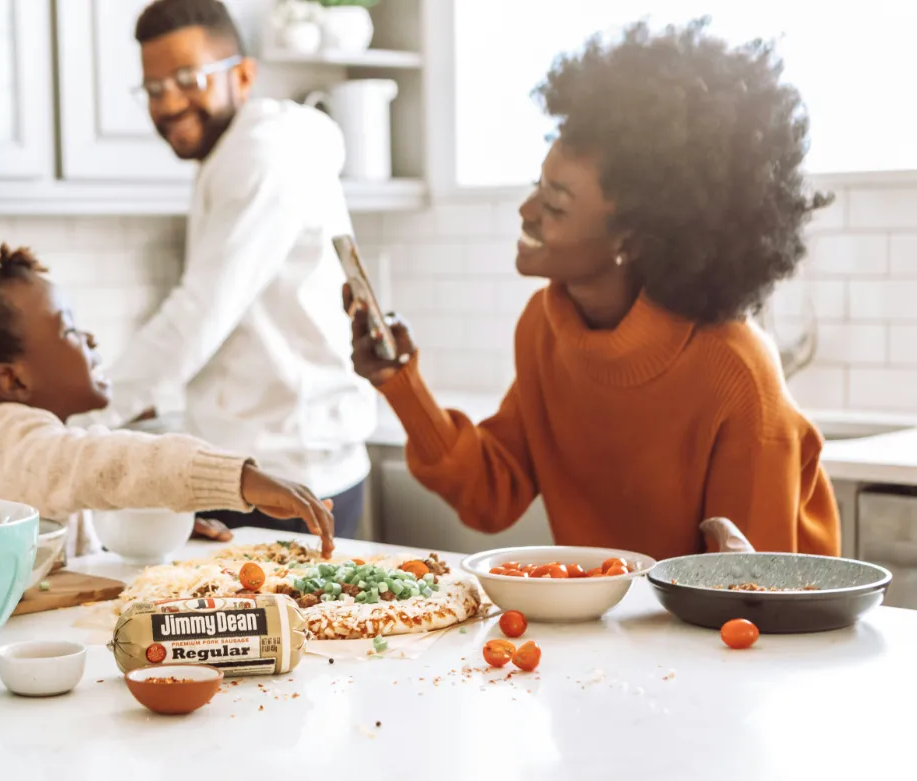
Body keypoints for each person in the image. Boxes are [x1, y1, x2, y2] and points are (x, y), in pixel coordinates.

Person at [346, 19, 840, 561]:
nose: (526, 211)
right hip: (625, 631)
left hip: (738, 636)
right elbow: (493, 492)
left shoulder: (735, 374)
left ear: (632, 238)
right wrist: (399, 382)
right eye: (538, 187)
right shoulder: (546, 325)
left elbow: (752, 596)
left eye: (555, 204)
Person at [79, 0, 377, 542]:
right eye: (152, 88)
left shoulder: (261, 154)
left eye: (187, 78)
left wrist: (79, 425)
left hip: (285, 473)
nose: (168, 102)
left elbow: (198, 314)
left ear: (243, 74)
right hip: (274, 461)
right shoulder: (242, 149)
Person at [0, 233, 336, 558]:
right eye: (68, 329)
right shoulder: (12, 439)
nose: (89, 339)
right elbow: (108, 464)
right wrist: (240, 478)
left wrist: (147, 526)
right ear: (12, 381)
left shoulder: (3, 442)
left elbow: (72, 502)